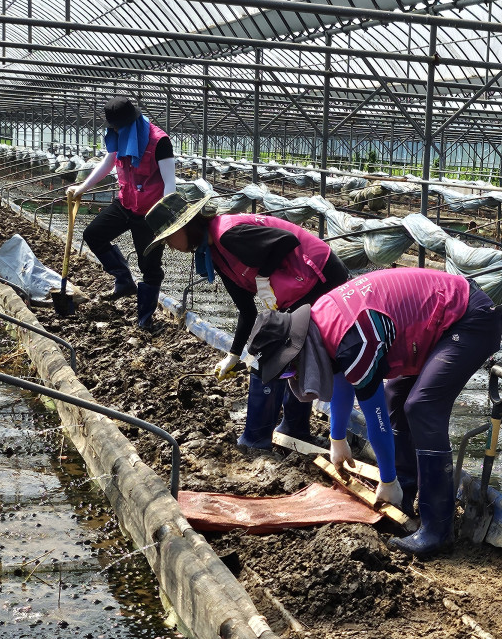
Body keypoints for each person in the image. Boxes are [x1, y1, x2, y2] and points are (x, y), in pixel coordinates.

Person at [246, 268, 502, 556]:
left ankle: (437, 529)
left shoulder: (355, 339)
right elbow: (343, 378)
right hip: (433, 323)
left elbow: (374, 417)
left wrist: (387, 476)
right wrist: (337, 439)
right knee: (397, 396)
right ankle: (403, 496)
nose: (293, 376)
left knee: (422, 406)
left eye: (289, 369)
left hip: (468, 318)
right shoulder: (320, 323)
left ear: (296, 350)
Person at [144, 192, 351, 451]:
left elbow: (285, 241)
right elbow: (246, 309)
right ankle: (293, 428)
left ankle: (257, 441)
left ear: (187, 225)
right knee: (289, 351)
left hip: (319, 276)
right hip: (296, 287)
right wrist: (233, 354)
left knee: (274, 352)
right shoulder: (216, 253)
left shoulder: (229, 235)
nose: (170, 245)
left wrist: (263, 278)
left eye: (170, 237)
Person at [67, 97, 176, 330]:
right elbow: (108, 162)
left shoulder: (159, 141)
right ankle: (124, 280)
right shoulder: (118, 135)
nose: (113, 130)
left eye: (117, 126)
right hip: (126, 202)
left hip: (150, 212)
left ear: (130, 121)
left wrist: (166, 219)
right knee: (94, 234)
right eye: (112, 127)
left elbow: (170, 184)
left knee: (149, 266)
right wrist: (82, 188)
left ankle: (145, 319)